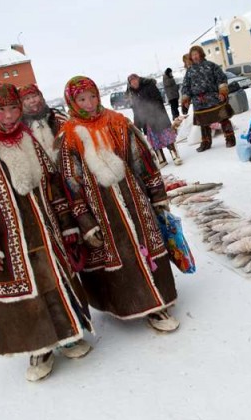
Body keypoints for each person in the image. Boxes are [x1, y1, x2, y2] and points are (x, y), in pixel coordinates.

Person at [0, 83, 93, 382]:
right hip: (8, 239)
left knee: (54, 282)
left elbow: (51, 183)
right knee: (29, 292)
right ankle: (39, 347)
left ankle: (68, 334)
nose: (9, 115)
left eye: (14, 107)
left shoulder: (26, 138)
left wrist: (65, 223)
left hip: (45, 230)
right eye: (0, 109)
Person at [58, 76, 179, 333]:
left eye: (92, 96)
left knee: (147, 246)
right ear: (72, 101)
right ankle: (136, 304)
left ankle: (158, 302)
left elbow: (142, 160)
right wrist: (85, 222)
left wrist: (157, 195)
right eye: (82, 99)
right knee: (121, 255)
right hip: (102, 211)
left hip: (135, 200)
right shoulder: (69, 137)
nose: (89, 103)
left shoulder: (118, 122)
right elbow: (71, 184)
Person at [181, 45, 236, 152]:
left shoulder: (212, 66)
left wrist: (223, 92)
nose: (195, 56)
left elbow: (221, 79)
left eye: (196, 54)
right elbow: (186, 87)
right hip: (199, 102)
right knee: (203, 123)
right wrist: (186, 100)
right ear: (191, 57)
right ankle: (206, 142)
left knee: (223, 119)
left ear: (201, 54)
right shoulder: (189, 71)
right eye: (193, 55)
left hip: (214, 98)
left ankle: (230, 138)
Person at [127, 73, 182, 166]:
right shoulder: (132, 94)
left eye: (135, 80)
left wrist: (150, 109)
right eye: (131, 82)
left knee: (167, 137)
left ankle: (175, 155)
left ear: (139, 79)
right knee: (154, 141)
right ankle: (161, 159)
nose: (134, 82)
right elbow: (136, 111)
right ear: (130, 84)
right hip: (147, 122)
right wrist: (136, 125)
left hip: (158, 116)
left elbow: (158, 99)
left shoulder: (149, 86)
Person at [18, 83, 68, 161]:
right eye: (27, 99)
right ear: (22, 103)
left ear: (40, 96)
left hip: (63, 162)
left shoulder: (56, 116)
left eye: (34, 96)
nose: (32, 101)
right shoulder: (21, 126)